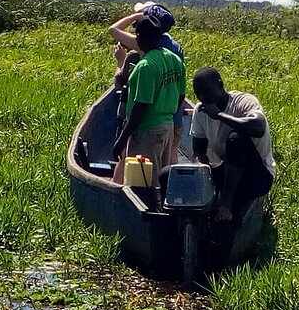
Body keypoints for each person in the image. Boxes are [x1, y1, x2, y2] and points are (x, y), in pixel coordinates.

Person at [189, 67, 275, 222]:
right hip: (230, 172)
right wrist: (201, 172)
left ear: (220, 86)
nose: (202, 97)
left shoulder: (244, 102)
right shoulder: (200, 111)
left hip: (257, 176)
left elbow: (259, 127)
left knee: (236, 139)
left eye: (207, 91)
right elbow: (198, 151)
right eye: (198, 93)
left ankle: (225, 205)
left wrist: (219, 115)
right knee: (168, 175)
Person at [111, 14, 186, 191]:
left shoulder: (145, 66)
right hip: (167, 127)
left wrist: (122, 139)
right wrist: (166, 113)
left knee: (143, 183)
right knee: (161, 178)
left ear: (138, 38)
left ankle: (146, 217)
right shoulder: (174, 60)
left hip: (147, 131)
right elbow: (180, 96)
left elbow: (140, 107)